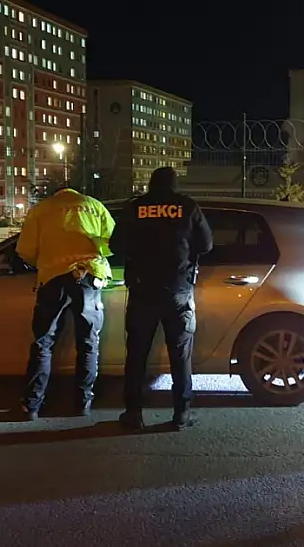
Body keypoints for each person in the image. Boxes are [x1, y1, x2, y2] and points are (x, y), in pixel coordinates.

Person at [110, 167, 213, 431]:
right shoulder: (187, 206)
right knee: (180, 355)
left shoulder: (136, 207)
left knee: (137, 355)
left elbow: (116, 245)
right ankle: (181, 414)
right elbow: (206, 245)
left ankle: (133, 414)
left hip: (143, 290)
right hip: (178, 290)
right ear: (174, 184)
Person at [15, 184, 116, 420]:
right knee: (88, 342)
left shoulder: (43, 209)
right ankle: (82, 403)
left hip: (54, 278)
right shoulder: (94, 206)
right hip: (90, 277)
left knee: (44, 342)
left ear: (57, 194)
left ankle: (31, 405)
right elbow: (111, 243)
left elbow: (26, 251)